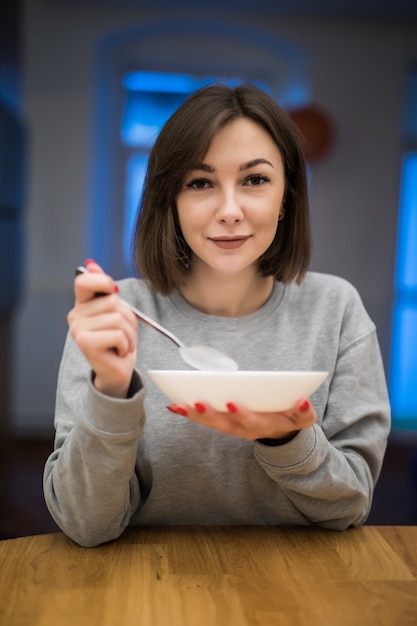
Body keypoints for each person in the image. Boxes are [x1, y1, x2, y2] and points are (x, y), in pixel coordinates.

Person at [43, 83, 390, 547]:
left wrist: (285, 440)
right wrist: (110, 387)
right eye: (200, 183)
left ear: (286, 196)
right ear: (172, 200)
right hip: (145, 589)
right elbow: (85, 525)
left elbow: (349, 506)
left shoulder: (336, 310)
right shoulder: (115, 315)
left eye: (255, 180)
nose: (229, 211)